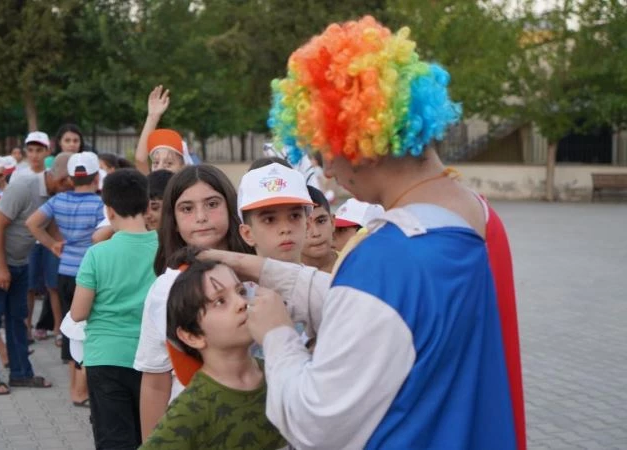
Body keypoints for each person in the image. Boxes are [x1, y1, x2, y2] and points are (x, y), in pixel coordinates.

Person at [201, 16, 519, 449]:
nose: (328, 171)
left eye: (325, 152)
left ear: (361, 141)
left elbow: (314, 423)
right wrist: (263, 269)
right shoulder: (474, 216)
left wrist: (277, 335)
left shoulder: (386, 258)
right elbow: (394, 314)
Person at [133, 165, 253, 440]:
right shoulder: (166, 288)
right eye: (187, 208)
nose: (201, 217)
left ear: (230, 207)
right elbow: (155, 380)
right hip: (198, 431)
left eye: (212, 204)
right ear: (173, 220)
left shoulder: (261, 272)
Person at [140, 253, 288, 450]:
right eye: (220, 301)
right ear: (192, 336)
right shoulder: (192, 408)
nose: (241, 303)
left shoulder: (281, 376)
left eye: (241, 291)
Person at [0, 135, 70, 395]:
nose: (71, 190)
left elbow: (51, 227)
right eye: (70, 185)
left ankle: (21, 373)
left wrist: (63, 248)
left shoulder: (54, 195)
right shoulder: (23, 186)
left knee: (18, 318)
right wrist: (1, 267)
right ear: (60, 179)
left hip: (19, 261)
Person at [70, 168, 158, 449]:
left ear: (109, 211)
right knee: (152, 438)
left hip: (105, 357)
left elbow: (78, 313)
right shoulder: (166, 249)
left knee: (115, 440)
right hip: (153, 358)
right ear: (148, 207)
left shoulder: (97, 254)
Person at [26, 152, 104, 407]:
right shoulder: (99, 204)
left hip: (65, 272)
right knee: (89, 331)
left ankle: (74, 388)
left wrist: (52, 244)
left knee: (71, 330)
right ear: (96, 178)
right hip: (89, 274)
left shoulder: (58, 200)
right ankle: (82, 391)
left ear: (70, 178)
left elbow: (32, 223)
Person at [237, 162, 312, 264]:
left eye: (295, 216)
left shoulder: (326, 275)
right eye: (270, 219)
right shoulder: (228, 275)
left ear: (307, 225)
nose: (285, 229)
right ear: (247, 234)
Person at [133, 86, 193, 175]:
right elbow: (140, 160)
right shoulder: (151, 182)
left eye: (169, 164)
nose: (160, 168)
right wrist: (153, 116)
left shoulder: (190, 183)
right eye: (156, 163)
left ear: (183, 167)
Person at [301, 186, 337, 273]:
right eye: (306, 225)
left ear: (332, 222)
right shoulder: (279, 276)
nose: (316, 233)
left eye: (321, 221)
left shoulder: (356, 264)